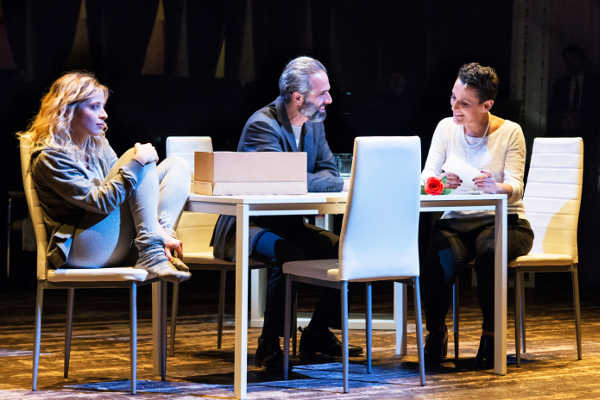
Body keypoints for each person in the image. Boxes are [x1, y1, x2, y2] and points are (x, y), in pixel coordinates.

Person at [211, 56, 362, 369]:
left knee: (349, 251)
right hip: (250, 224)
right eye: (322, 94)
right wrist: (318, 182)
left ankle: (317, 332)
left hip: (288, 224)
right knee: (288, 255)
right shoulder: (262, 125)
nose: (329, 100)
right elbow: (280, 183)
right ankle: (268, 343)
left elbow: (330, 172)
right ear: (298, 97)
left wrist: (313, 181)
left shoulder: (314, 124)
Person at [19, 71, 191, 283]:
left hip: (114, 242)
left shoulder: (97, 142)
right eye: (94, 107)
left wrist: (158, 230)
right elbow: (101, 202)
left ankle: (160, 243)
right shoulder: (49, 155)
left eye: (103, 107)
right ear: (67, 109)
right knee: (137, 159)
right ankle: (152, 251)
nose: (104, 115)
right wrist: (137, 161)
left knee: (177, 165)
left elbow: (130, 190)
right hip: (80, 249)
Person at [420, 63, 534, 368]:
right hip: (457, 220)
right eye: (453, 98)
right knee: (434, 264)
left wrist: (498, 187)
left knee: (490, 257)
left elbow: (517, 187)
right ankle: (436, 332)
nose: (455, 107)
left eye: (464, 103)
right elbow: (426, 177)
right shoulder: (446, 128)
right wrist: (441, 183)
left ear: (487, 105)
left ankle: (491, 337)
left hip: (504, 220)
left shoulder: (510, 132)